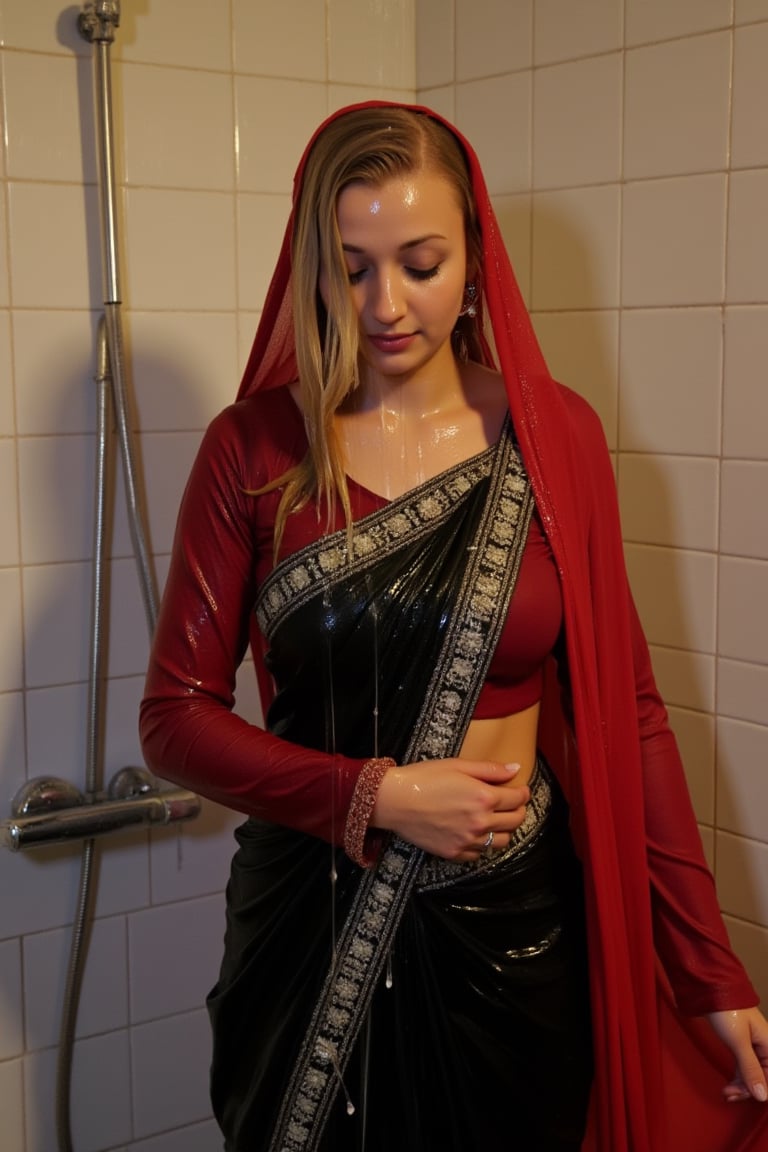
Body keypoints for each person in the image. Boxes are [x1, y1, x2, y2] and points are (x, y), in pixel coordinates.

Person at [140, 102, 768, 1152]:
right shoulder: (252, 451)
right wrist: (373, 795)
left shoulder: (553, 437)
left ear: (475, 263)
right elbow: (173, 719)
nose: (385, 304)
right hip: (311, 923)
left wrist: (708, 969)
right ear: (313, 272)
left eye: (420, 264)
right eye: (351, 267)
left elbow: (632, 713)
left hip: (514, 936)